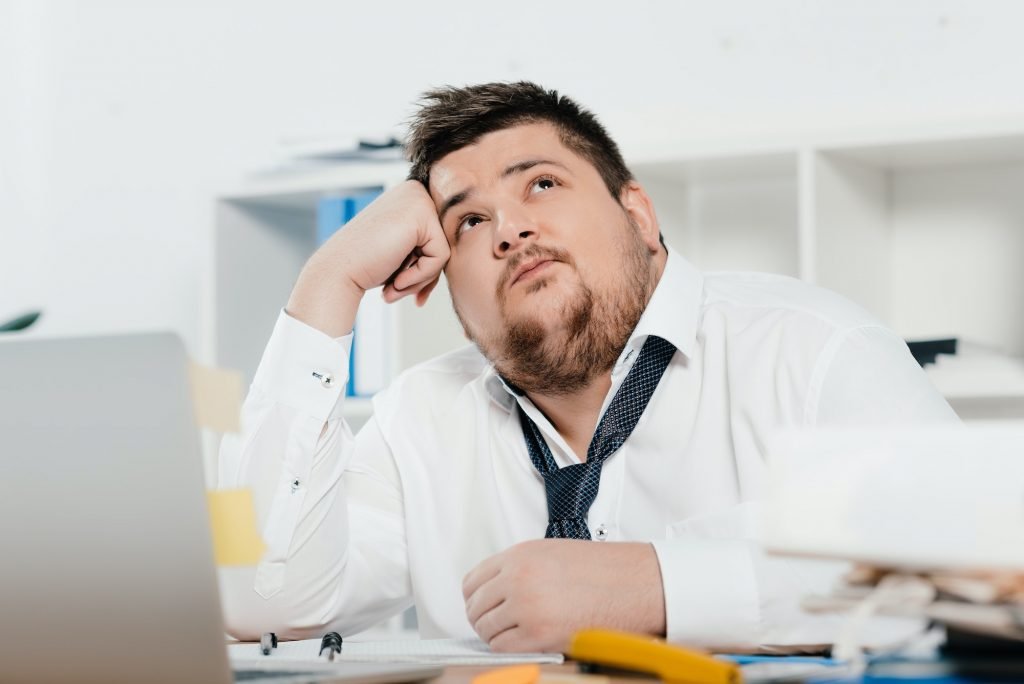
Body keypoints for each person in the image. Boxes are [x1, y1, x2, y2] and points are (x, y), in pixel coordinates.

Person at [217, 81, 957, 652]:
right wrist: (327, 284)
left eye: (540, 183)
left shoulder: (812, 348)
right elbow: (259, 600)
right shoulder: (420, 420)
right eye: (468, 221)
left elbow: (971, 564)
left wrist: (661, 585)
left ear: (638, 214)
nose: (510, 229)